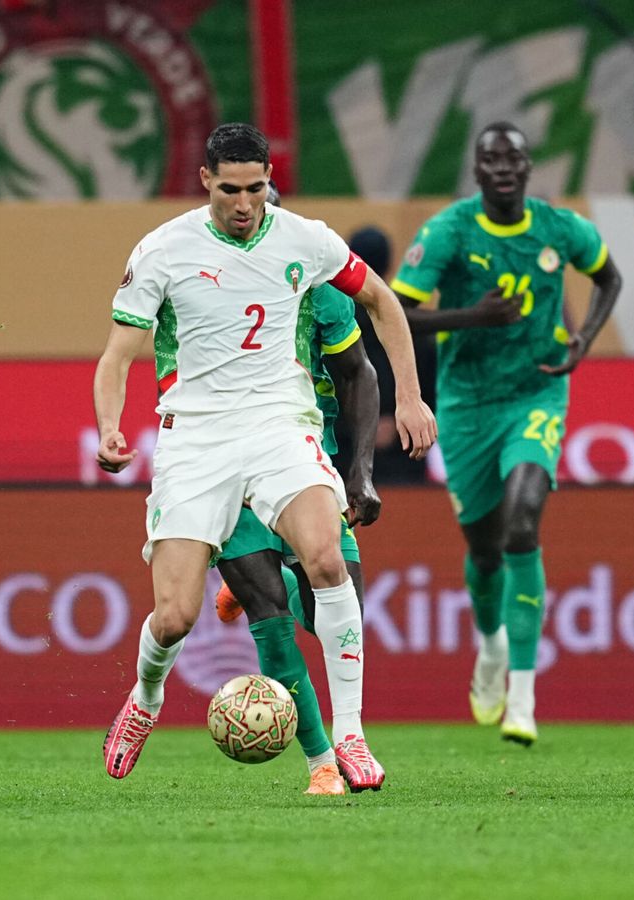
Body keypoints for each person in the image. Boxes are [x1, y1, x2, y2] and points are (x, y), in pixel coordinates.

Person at [93, 122, 436, 784]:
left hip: (281, 424)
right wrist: (111, 425)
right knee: (174, 616)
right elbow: (116, 355)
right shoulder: (164, 250)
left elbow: (383, 304)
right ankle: (146, 698)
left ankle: (351, 739)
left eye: (257, 188)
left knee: (328, 561)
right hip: (196, 437)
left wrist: (412, 399)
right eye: (231, 190)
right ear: (206, 182)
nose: (246, 203)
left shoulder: (305, 239)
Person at [391, 122, 622, 746]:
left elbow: (609, 277)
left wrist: (583, 339)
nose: (500, 169)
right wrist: (474, 316)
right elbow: (394, 311)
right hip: (467, 406)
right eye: (489, 159)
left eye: (511, 158)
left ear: (527, 168)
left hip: (536, 392)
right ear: (476, 171)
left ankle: (523, 698)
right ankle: (490, 646)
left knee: (524, 521)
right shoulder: (450, 231)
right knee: (486, 550)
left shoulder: (558, 229)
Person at [206, 182, 385, 794]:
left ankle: (275, 579)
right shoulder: (208, 292)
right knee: (272, 618)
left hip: (311, 459)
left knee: (334, 606)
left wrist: (359, 472)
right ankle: (324, 765)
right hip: (233, 459)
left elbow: (359, 375)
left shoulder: (320, 291)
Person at [343, 226, 436, 485]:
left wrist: (359, 425)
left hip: (344, 454)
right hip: (406, 450)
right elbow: (431, 386)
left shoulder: (334, 317)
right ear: (392, 263)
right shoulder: (408, 323)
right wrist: (392, 420)